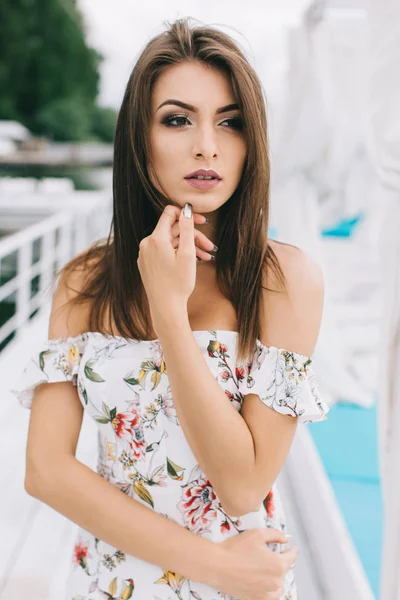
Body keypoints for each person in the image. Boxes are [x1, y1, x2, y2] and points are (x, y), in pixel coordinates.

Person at [12, 17, 330, 600]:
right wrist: (216, 565)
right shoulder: (85, 280)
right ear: (140, 137)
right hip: (121, 584)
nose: (206, 144)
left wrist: (168, 308)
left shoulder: (283, 280)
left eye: (229, 122)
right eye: (177, 119)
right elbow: (45, 472)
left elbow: (241, 484)